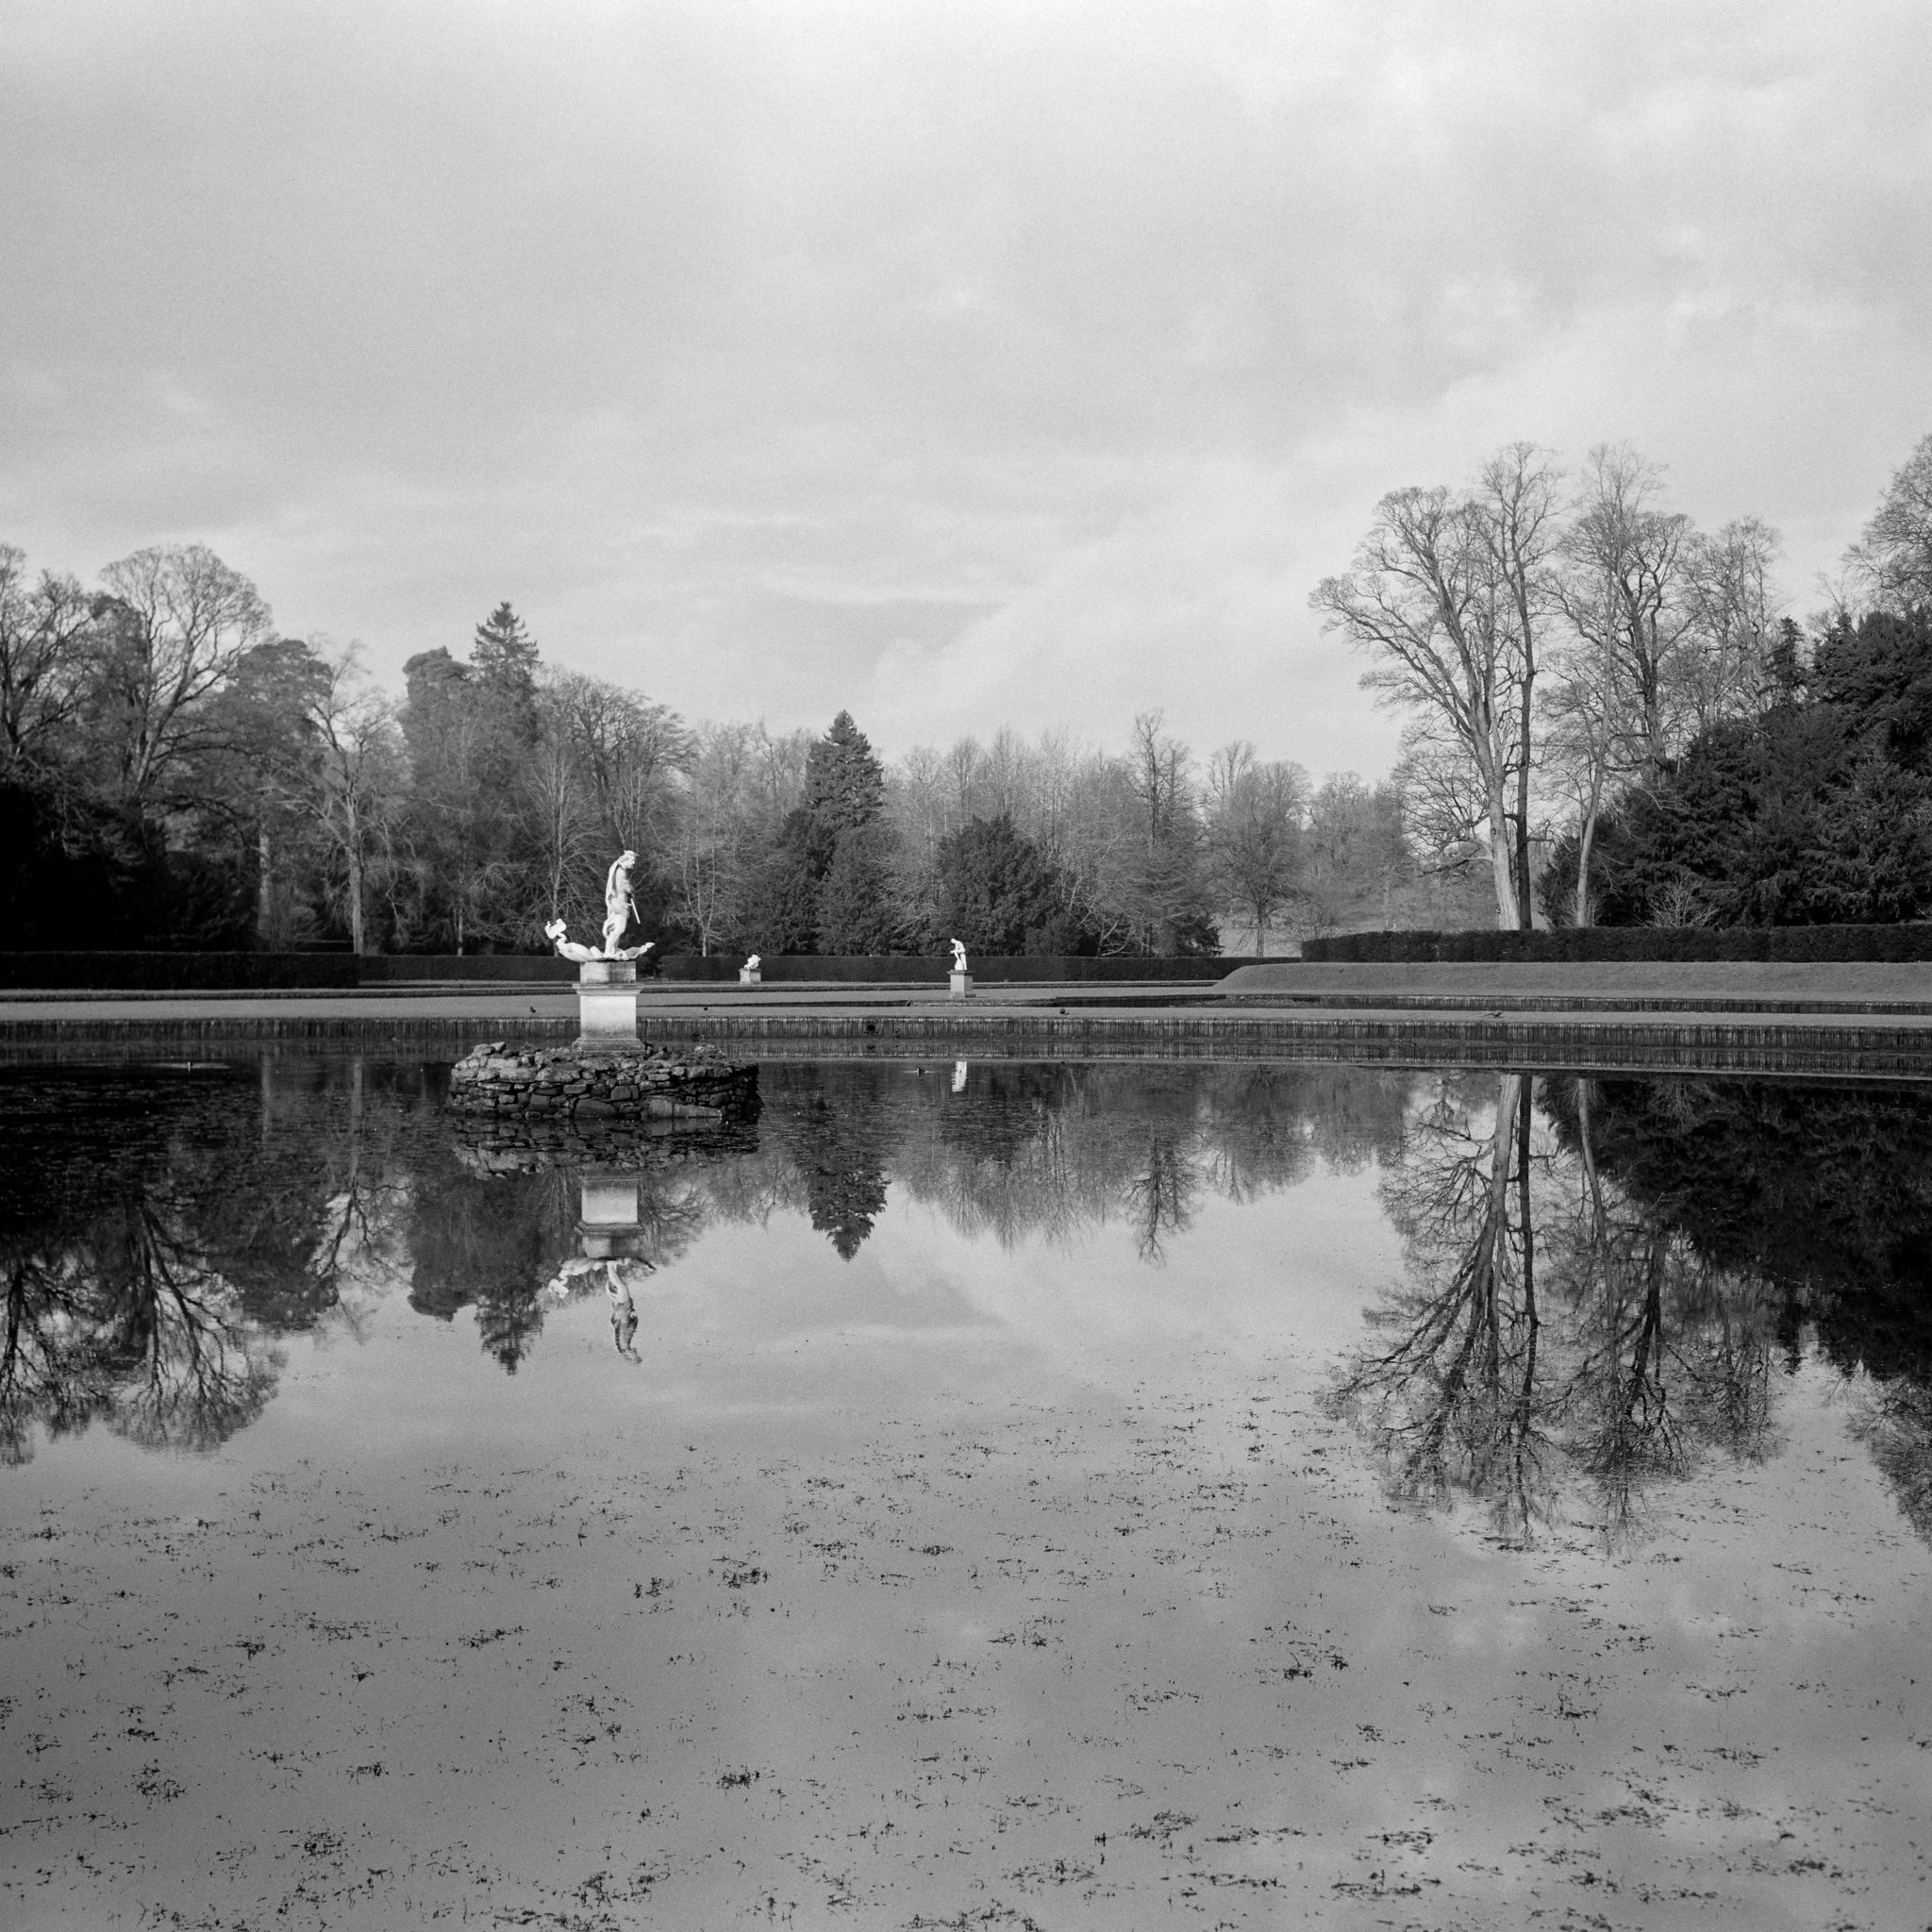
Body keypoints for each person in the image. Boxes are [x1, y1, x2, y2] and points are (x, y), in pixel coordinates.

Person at [601, 850, 639, 957]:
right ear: (626, 861)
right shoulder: (621, 872)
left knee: (616, 929)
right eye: (632, 860)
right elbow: (623, 886)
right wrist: (631, 890)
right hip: (619, 905)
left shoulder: (619, 871)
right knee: (619, 928)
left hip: (618, 903)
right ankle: (608, 951)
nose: (633, 863)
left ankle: (613, 949)